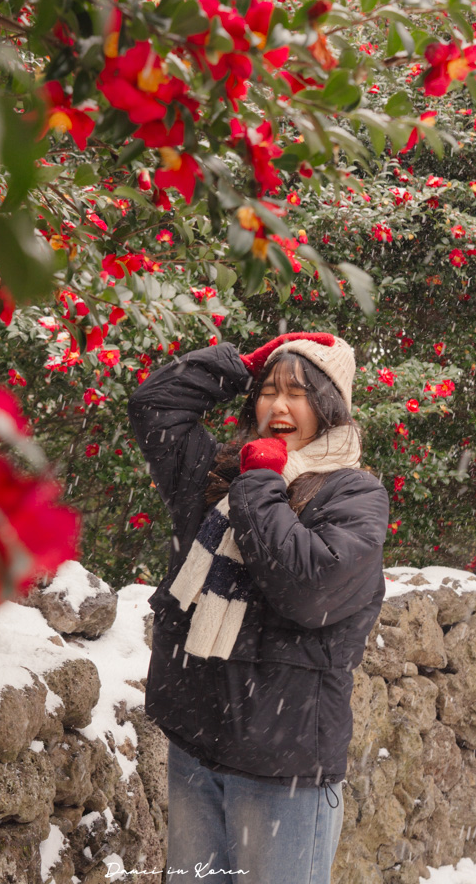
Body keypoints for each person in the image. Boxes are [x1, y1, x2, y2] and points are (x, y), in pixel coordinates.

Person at [128, 332, 389, 884]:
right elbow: (154, 405)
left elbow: (307, 590)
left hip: (283, 771)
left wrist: (262, 482)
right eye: (268, 390)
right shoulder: (217, 475)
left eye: (298, 392)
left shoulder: (354, 495)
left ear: (330, 407)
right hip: (197, 750)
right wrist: (236, 365)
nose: (278, 405)